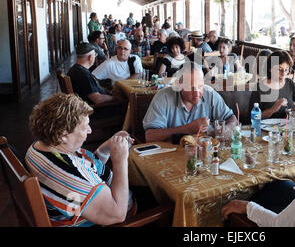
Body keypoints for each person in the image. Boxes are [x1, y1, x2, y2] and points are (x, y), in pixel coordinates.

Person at [25, 93, 137, 227]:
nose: (90, 131)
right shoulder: (69, 175)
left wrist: (106, 148)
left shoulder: (40, 146)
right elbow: (118, 214)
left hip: (91, 204)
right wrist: (120, 161)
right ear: (63, 135)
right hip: (116, 215)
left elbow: (85, 170)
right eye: (85, 127)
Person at [143, 62, 238, 144]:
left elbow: (232, 119)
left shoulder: (210, 94)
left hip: (204, 152)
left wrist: (227, 129)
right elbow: (150, 136)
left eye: (200, 86)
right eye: (191, 88)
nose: (197, 92)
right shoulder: (163, 97)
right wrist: (187, 129)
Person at [249, 50, 295, 119]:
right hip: (266, 129)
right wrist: (272, 109)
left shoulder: (289, 83)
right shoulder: (259, 88)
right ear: (270, 69)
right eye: (279, 69)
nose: (283, 74)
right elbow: (252, 117)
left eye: (286, 70)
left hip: (287, 128)